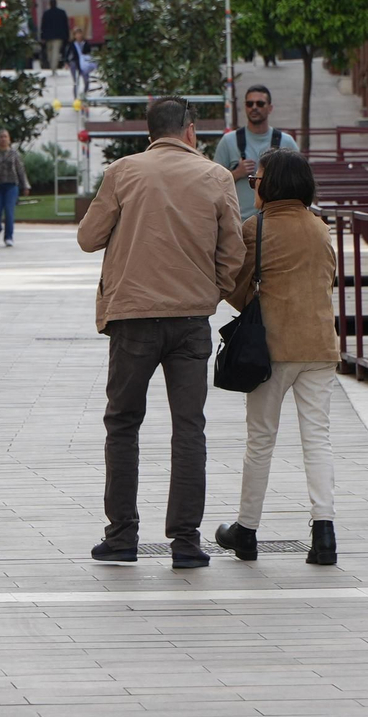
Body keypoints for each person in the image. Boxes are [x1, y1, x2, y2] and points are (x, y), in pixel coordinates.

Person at [78, 97, 245, 570]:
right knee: (189, 428)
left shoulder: (123, 172)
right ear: (190, 131)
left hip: (132, 318)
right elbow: (232, 254)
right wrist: (209, 292)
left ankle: (122, 535)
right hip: (191, 320)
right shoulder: (215, 177)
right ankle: (187, 542)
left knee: (123, 424)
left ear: (149, 132)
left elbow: (89, 238)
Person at [214, 150, 340, 567]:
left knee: (261, 441)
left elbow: (236, 284)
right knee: (317, 440)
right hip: (320, 346)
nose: (255, 186)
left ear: (270, 185)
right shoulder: (320, 228)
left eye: (257, 180)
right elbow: (329, 278)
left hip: (272, 348)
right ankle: (324, 534)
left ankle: (246, 531)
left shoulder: (257, 227)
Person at [212, 85, 299, 219]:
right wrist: (236, 173)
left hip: (277, 223)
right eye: (249, 103)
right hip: (239, 225)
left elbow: (299, 184)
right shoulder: (228, 141)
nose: (254, 107)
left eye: (260, 103)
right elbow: (213, 184)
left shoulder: (286, 142)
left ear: (270, 108)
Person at [39, 0, 70, 74]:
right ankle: (54, 67)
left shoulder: (46, 14)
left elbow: (43, 26)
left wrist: (42, 37)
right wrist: (67, 36)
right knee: (56, 53)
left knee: (49, 53)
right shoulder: (62, 13)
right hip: (59, 36)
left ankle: (52, 66)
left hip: (48, 37)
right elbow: (65, 25)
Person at [65, 27, 96, 97]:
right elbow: (67, 54)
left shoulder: (86, 43)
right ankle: (76, 97)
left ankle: (84, 94)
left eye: (80, 34)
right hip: (75, 63)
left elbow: (89, 53)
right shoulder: (72, 44)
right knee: (76, 82)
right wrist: (67, 62)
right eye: (76, 34)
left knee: (86, 80)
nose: (78, 36)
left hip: (84, 64)